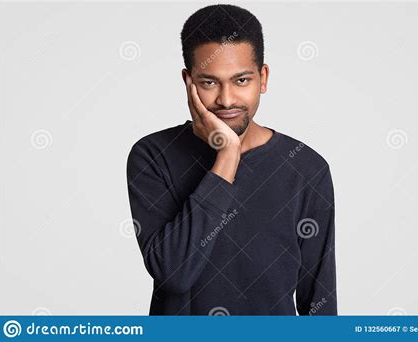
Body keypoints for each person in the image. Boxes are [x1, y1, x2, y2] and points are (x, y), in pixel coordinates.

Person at [126, 4, 337, 316]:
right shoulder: (152, 156)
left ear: (262, 78)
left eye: (241, 80)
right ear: (188, 82)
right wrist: (227, 155)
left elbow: (319, 303)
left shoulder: (307, 169)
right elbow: (174, 275)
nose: (225, 99)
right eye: (209, 82)